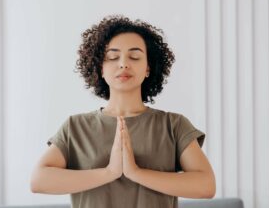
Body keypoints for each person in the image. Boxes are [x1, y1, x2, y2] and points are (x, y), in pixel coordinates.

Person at [30, 15, 216, 208]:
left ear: (148, 68)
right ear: (100, 68)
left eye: (134, 57)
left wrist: (136, 172)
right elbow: (39, 181)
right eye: (113, 57)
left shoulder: (173, 125)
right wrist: (109, 172)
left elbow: (206, 185)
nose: (123, 64)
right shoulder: (75, 127)